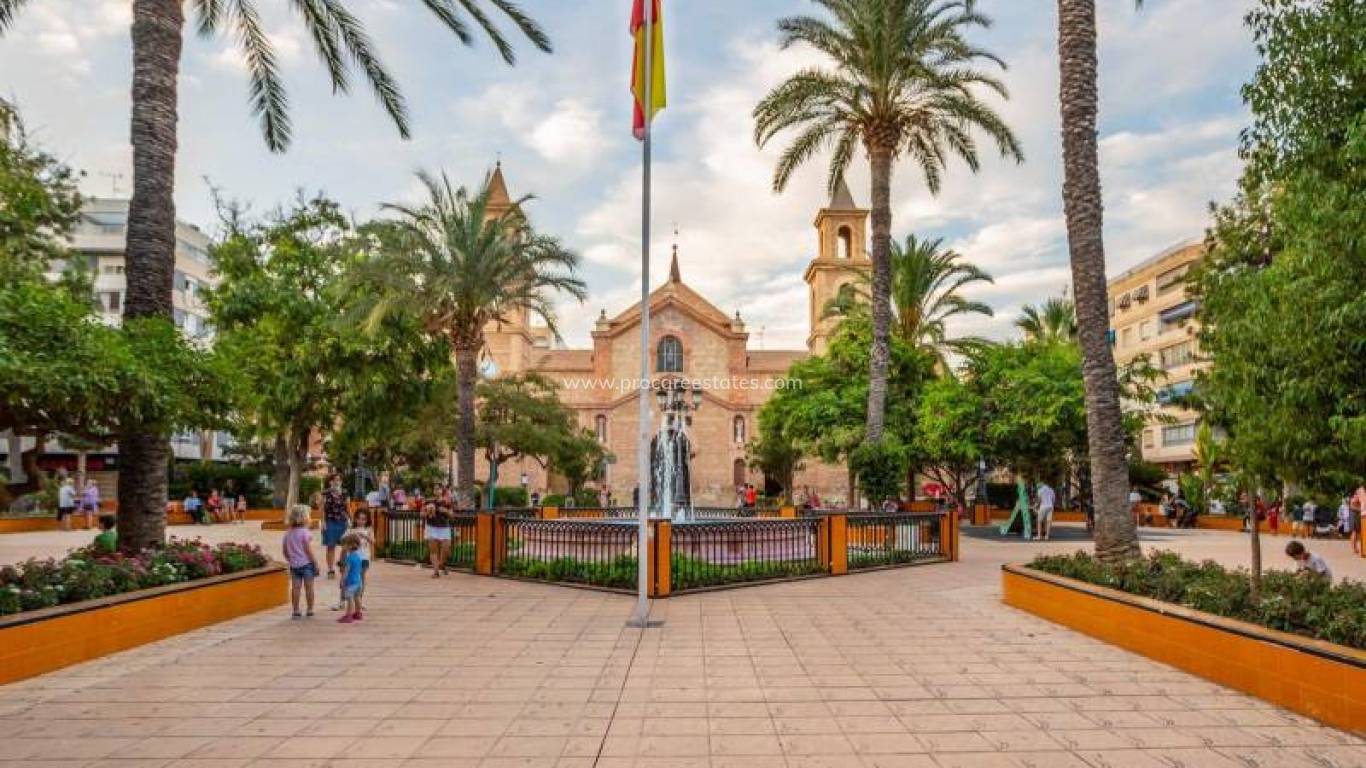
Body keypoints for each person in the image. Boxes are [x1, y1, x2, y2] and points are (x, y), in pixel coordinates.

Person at [282, 504, 320, 619]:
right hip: (307, 565)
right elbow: (308, 550)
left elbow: (284, 551)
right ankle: (310, 609)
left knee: (295, 588)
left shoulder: (288, 533)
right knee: (309, 587)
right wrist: (315, 563)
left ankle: (296, 610)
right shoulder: (305, 533)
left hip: (294, 566)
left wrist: (291, 559)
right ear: (305, 518)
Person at [334, 509, 373, 611]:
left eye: (363, 519)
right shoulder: (350, 529)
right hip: (351, 558)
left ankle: (359, 600)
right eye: (359, 518)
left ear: (367, 520)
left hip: (364, 558)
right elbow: (342, 541)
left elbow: (373, 542)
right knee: (346, 578)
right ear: (355, 519)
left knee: (361, 579)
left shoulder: (368, 529)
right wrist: (351, 536)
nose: (361, 521)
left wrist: (365, 536)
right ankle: (342, 601)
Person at [320, 474, 350, 579]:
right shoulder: (325, 493)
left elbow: (347, 507)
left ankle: (342, 562)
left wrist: (350, 520)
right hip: (330, 522)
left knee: (346, 545)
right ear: (330, 482)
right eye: (335, 480)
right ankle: (330, 569)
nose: (337, 482)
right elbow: (322, 509)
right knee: (330, 546)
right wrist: (323, 522)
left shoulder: (345, 493)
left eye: (339, 480)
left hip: (343, 521)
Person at [336, 533, 365, 623]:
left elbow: (346, 571)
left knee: (349, 598)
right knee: (357, 597)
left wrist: (342, 580)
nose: (343, 547)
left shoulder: (349, 558)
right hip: (359, 581)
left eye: (344, 545)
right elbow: (359, 570)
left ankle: (349, 615)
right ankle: (358, 613)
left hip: (351, 582)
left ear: (350, 545)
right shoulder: (358, 556)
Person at [423, 502, 453, 577]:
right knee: (433, 550)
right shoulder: (428, 501)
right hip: (432, 527)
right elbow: (422, 514)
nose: (437, 490)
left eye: (439, 489)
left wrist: (446, 511)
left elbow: (452, 516)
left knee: (446, 549)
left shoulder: (447, 502)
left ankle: (441, 564)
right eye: (436, 489)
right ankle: (436, 571)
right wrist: (428, 512)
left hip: (444, 527)